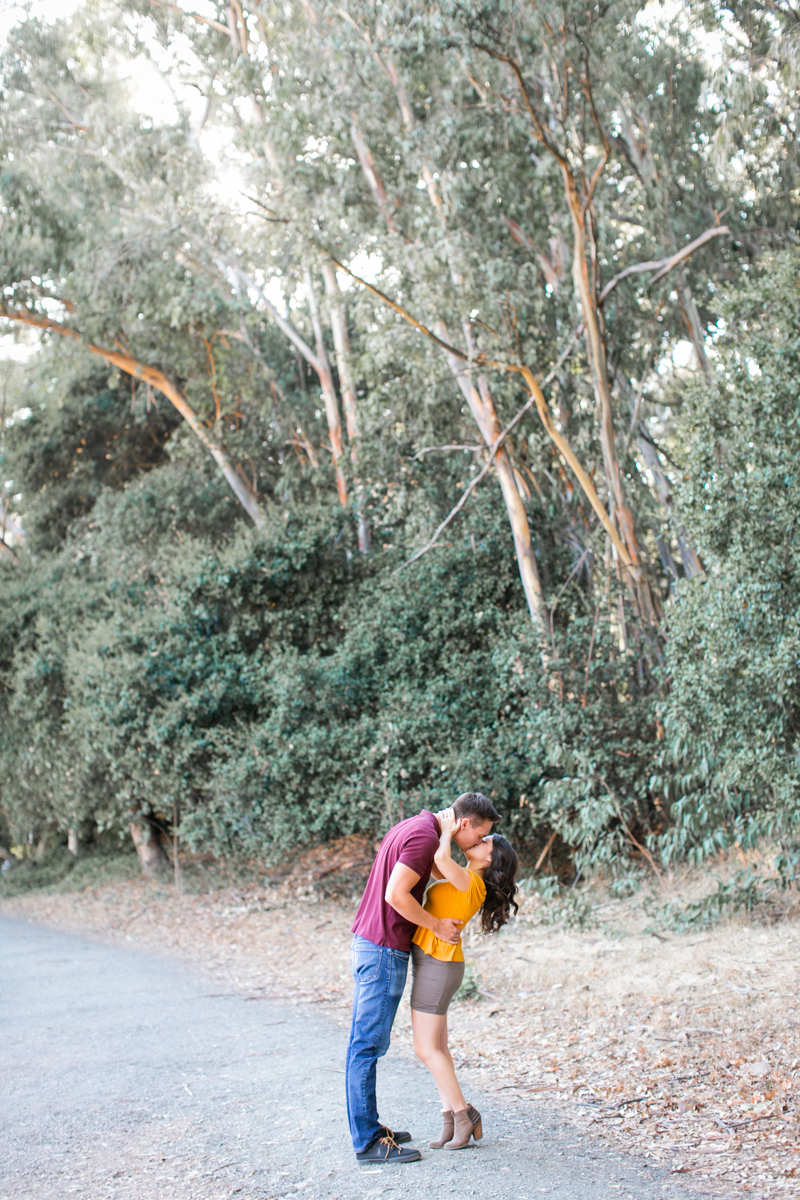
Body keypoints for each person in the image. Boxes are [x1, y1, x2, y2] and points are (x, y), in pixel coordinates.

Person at [345, 792, 500, 1165]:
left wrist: (445, 840)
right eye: (479, 836)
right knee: (367, 1045)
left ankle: (374, 1128)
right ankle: (366, 1141)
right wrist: (434, 924)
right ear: (464, 825)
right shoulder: (426, 837)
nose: (478, 844)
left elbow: (435, 870)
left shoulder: (414, 827)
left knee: (372, 1044)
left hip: (374, 943)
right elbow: (396, 894)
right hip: (382, 947)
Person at [411, 808, 519, 1150]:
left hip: (439, 965)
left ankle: (464, 1114)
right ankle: (449, 1120)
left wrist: (443, 828)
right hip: (433, 961)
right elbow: (435, 863)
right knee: (438, 1047)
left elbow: (441, 854)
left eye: (486, 840)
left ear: (492, 858)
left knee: (425, 1048)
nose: (479, 839)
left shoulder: (471, 881)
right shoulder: (461, 876)